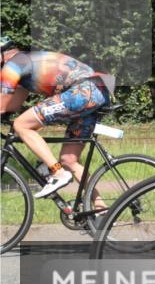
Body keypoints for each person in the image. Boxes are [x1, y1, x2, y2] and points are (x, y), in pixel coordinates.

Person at [0, 36, 114, 200]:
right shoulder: (24, 62)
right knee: (69, 160)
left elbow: (2, 106)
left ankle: (57, 172)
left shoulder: (12, 66)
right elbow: (12, 105)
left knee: (21, 125)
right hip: (96, 91)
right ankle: (99, 209)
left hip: (83, 91)